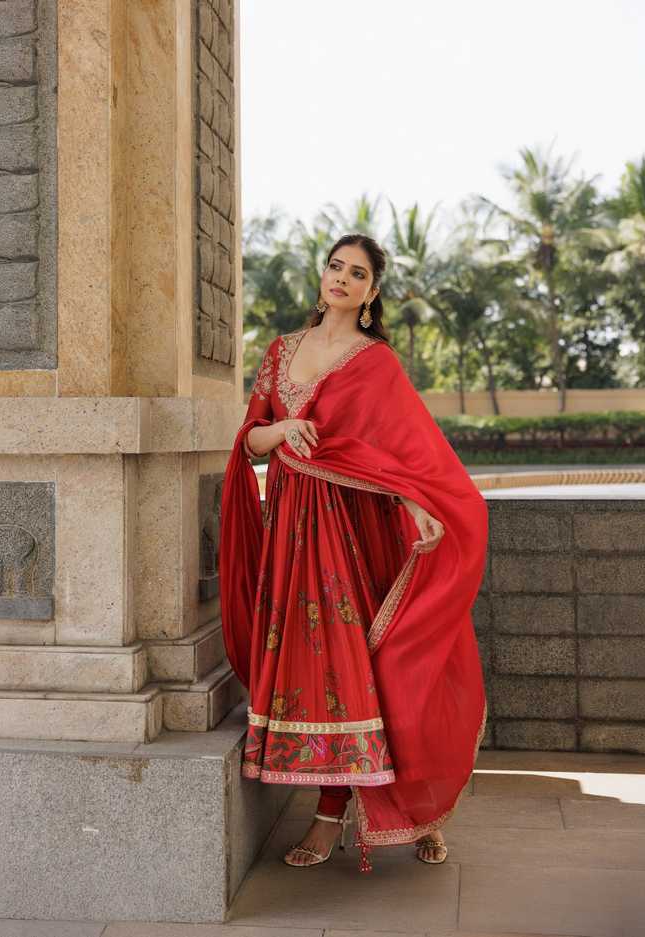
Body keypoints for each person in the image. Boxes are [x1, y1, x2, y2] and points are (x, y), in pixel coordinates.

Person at [219, 233, 489, 873]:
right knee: (318, 672)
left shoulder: (376, 363)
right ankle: (332, 811)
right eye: (335, 266)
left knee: (373, 670)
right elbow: (251, 443)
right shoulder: (281, 350)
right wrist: (281, 429)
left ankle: (417, 811)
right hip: (291, 531)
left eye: (357, 273)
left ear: (372, 292)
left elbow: (404, 454)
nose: (341, 278)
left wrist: (420, 507)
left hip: (354, 530)